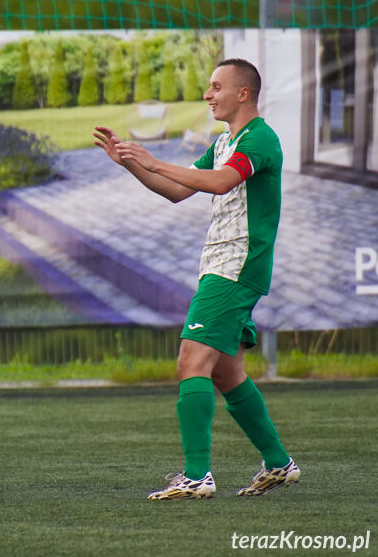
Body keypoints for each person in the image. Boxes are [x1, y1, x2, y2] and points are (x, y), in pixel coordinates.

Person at [93, 58, 299, 500]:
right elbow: (179, 190)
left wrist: (154, 159)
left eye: (216, 87)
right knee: (225, 373)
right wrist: (130, 162)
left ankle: (196, 476)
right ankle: (280, 464)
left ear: (243, 94)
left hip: (237, 266)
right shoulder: (226, 140)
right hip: (224, 265)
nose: (208, 95)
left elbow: (221, 182)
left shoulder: (260, 138)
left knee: (191, 360)